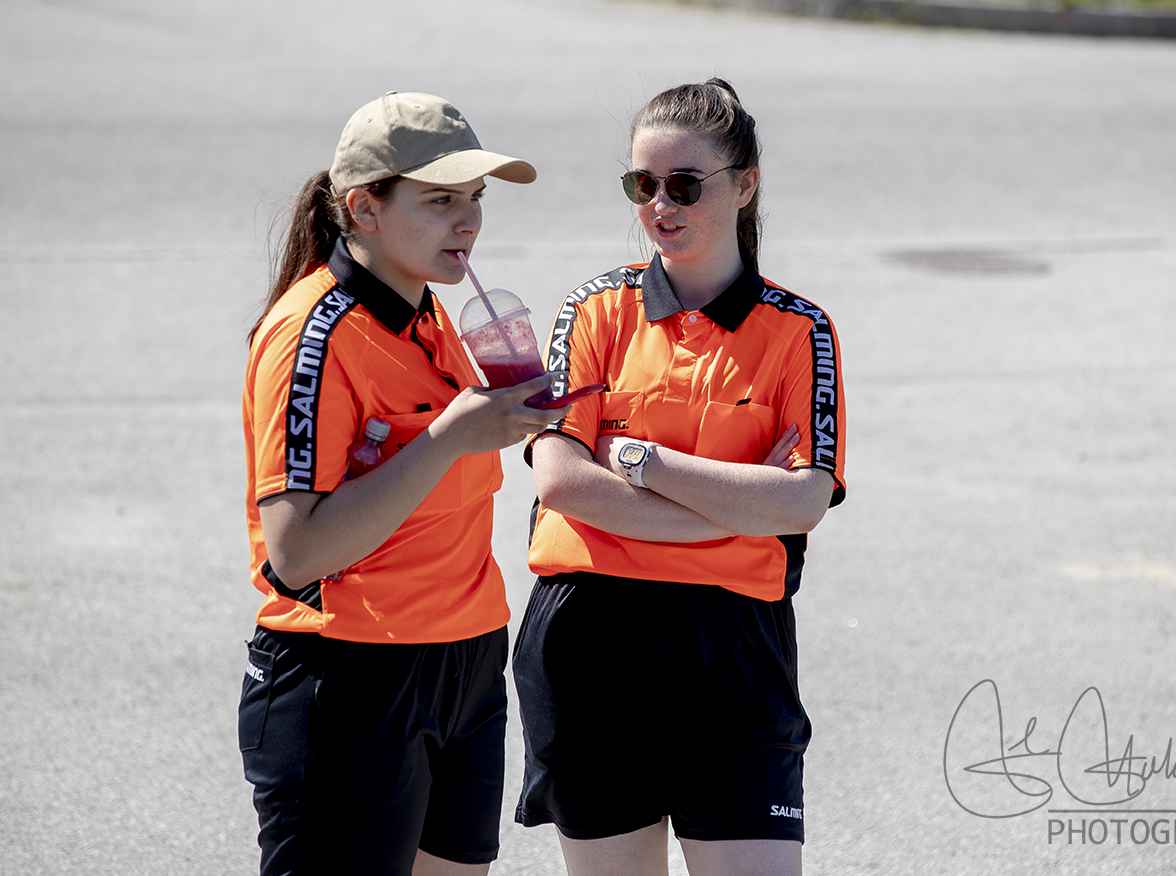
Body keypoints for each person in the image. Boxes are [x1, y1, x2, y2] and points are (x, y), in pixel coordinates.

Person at [512, 78, 847, 876]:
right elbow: (560, 481)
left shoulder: (800, 330)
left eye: (684, 185)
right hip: (590, 639)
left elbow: (802, 500)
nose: (659, 205)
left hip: (734, 648)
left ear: (744, 186)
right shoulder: (594, 310)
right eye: (642, 185)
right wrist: (735, 506)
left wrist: (639, 461)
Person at [238, 91, 567, 876]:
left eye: (475, 198)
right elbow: (295, 552)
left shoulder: (430, 312)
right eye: (440, 200)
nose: (469, 221)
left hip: (465, 659)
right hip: (351, 670)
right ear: (365, 208)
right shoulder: (313, 335)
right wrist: (449, 438)